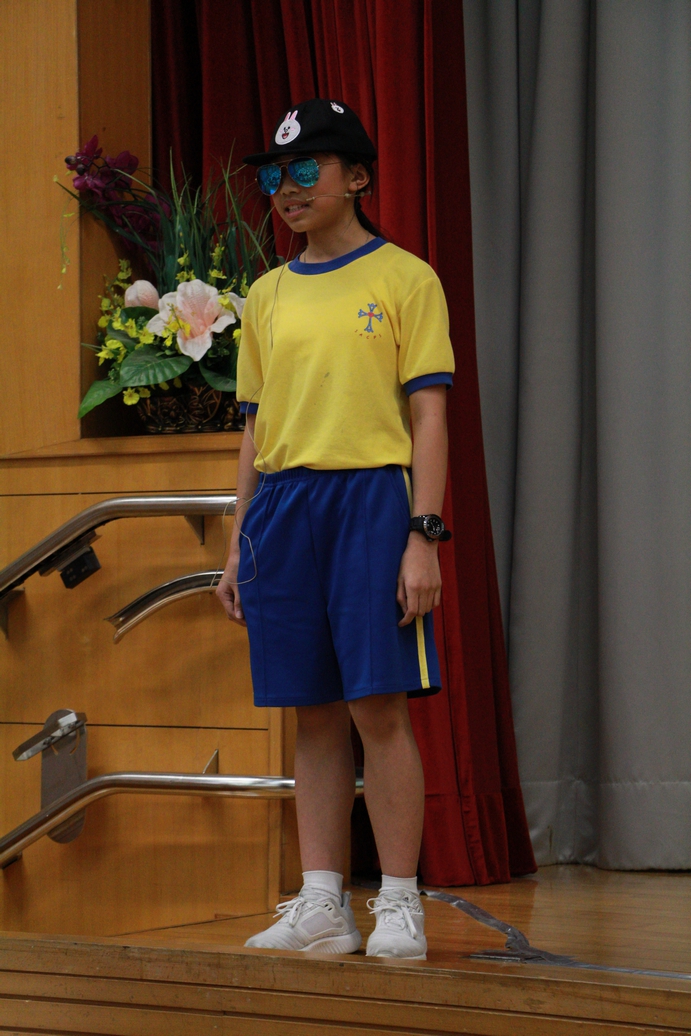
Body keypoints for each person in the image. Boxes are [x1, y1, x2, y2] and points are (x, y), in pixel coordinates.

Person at [216, 98, 454, 960]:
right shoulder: (266, 294)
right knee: (310, 711)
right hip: (283, 509)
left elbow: (428, 417)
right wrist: (239, 540)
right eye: (273, 176)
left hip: (371, 502)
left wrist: (422, 534)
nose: (285, 188)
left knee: (376, 706)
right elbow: (254, 426)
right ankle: (321, 901)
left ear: (355, 176)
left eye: (303, 169)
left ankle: (398, 902)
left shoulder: (405, 278)